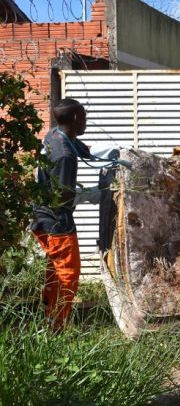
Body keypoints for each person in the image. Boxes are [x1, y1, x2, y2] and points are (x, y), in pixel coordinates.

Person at [30, 98, 89, 330]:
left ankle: (47, 316)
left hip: (40, 216)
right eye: (84, 117)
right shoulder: (65, 155)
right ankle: (57, 326)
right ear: (75, 119)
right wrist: (88, 195)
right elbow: (61, 197)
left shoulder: (53, 136)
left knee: (54, 271)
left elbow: (74, 143)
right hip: (57, 221)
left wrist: (88, 152)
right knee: (68, 273)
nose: (86, 123)